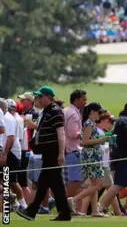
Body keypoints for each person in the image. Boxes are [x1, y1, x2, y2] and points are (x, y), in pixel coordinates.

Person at [16, 86, 72, 221]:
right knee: (51, 184)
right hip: (47, 153)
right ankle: (63, 213)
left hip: (53, 152)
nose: (38, 99)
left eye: (40, 97)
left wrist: (60, 153)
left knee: (47, 183)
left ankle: (32, 211)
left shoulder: (55, 111)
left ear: (48, 97)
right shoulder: (46, 111)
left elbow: (61, 133)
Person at [1, 99, 27, 210]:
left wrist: (4, 155)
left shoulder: (8, 119)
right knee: (5, 179)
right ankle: (14, 203)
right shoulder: (4, 117)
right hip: (6, 150)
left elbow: (11, 138)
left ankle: (23, 204)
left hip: (11, 151)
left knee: (12, 180)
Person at [63, 89, 87, 198]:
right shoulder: (73, 114)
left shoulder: (66, 110)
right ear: (76, 100)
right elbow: (73, 134)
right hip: (73, 150)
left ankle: (67, 204)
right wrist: (85, 133)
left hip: (67, 150)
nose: (85, 102)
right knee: (76, 180)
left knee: (73, 180)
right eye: (83, 99)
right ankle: (64, 203)